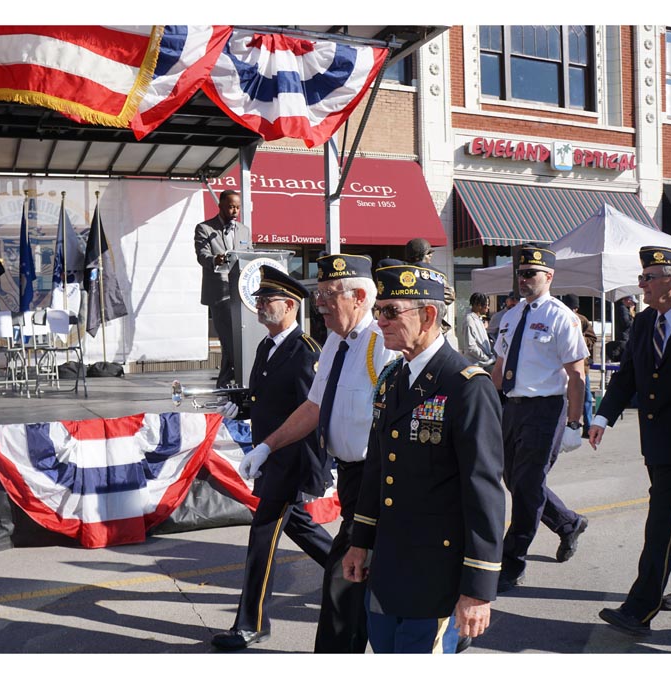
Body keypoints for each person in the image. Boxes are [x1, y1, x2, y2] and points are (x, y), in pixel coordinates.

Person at [342, 260, 504, 653]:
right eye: (379, 310)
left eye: (390, 311)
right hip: (388, 564)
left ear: (429, 315)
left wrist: (478, 589)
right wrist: (359, 541)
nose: (379, 321)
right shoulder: (393, 378)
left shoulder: (466, 385)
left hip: (435, 572)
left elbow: (483, 492)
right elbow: (378, 470)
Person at [238, 253, 396, 653]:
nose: (320, 302)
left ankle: (440, 628)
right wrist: (266, 446)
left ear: (359, 296)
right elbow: (313, 407)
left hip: (380, 481)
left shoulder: (383, 346)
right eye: (318, 292)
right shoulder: (334, 346)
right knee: (358, 579)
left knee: (348, 584)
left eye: (329, 293)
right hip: (353, 480)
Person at [211, 266, 334, 650]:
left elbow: (311, 416)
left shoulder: (306, 353)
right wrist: (241, 407)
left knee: (262, 536)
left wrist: (314, 475)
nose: (260, 306)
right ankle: (361, 573)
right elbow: (267, 400)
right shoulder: (267, 346)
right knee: (302, 530)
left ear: (290, 305)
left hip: (290, 462)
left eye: (268, 300)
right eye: (260, 300)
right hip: (270, 458)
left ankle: (251, 623)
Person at [590, 246, 671, 637]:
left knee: (662, 520)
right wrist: (602, 416)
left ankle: (640, 608)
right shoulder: (643, 323)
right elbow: (627, 377)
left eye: (647, 279)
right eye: (641, 278)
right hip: (655, 438)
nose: (640, 285)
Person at [491, 244, 589, 593]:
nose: (523, 278)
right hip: (512, 408)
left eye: (530, 273)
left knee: (528, 485)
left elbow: (577, 374)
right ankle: (568, 523)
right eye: (520, 272)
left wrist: (575, 424)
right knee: (514, 480)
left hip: (546, 408)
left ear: (548, 276)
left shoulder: (561, 316)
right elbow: (500, 367)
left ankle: (511, 561)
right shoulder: (511, 316)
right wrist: (486, 403)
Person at [194, 190, 252, 388]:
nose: (235, 211)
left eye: (237, 207)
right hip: (219, 293)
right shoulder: (204, 228)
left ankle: (226, 382)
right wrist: (214, 260)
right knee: (229, 339)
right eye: (230, 206)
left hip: (241, 292)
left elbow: (249, 255)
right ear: (220, 206)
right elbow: (202, 255)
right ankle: (237, 380)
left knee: (237, 339)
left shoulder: (244, 230)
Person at [404, 238, 456, 339]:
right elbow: (450, 296)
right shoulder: (435, 276)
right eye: (428, 253)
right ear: (419, 255)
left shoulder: (401, 273)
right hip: (429, 327)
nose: (431, 255)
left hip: (409, 327)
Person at [562, 294, 597, 437]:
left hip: (582, 367)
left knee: (586, 397)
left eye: (573, 308)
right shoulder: (560, 318)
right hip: (562, 367)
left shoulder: (582, 320)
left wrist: (579, 339)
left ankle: (588, 426)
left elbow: (592, 338)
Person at [458, 292, 496, 371]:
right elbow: (471, 347)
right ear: (478, 305)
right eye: (486, 305)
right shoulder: (469, 320)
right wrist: (485, 358)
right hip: (475, 365)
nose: (488, 307)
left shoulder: (478, 319)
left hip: (484, 364)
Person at [605, 295, 635, 362]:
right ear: (628, 300)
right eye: (632, 302)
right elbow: (626, 323)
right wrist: (632, 314)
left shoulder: (621, 308)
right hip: (624, 337)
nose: (633, 304)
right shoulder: (623, 309)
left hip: (622, 336)